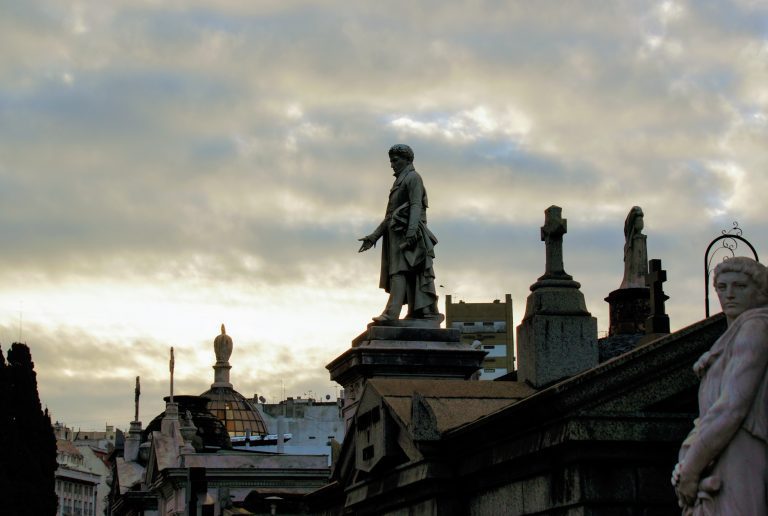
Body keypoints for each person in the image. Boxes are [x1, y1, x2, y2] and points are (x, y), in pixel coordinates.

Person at [672, 257, 768, 514]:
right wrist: (687, 464)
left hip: (741, 451)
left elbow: (732, 406)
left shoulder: (756, 327)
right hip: (719, 453)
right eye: (722, 287)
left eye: (739, 286)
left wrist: (692, 467)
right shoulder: (733, 336)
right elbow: (709, 414)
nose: (729, 294)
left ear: (760, 292)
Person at [358, 144, 439, 321]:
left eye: (395, 160)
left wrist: (410, 232)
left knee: (399, 272)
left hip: (407, 234)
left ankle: (391, 314)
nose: (392, 164)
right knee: (402, 273)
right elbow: (389, 216)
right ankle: (413, 312)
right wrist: (373, 237)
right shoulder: (399, 181)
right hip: (395, 235)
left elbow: (416, 204)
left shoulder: (413, 178)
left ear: (407, 159)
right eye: (391, 161)